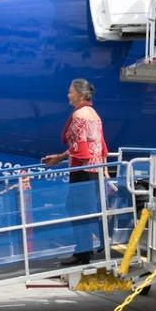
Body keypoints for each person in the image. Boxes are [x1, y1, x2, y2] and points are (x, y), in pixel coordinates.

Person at [42, 79, 109, 265]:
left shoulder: (79, 115)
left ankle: (83, 253)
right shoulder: (94, 115)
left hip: (82, 169)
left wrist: (60, 158)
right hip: (95, 169)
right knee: (86, 210)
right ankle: (92, 247)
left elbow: (79, 148)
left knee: (75, 208)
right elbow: (98, 145)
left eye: (70, 92)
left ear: (80, 94)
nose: (68, 95)